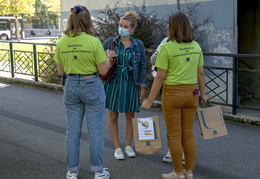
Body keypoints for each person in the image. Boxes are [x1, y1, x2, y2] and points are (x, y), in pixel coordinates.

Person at [142, 12, 208, 179]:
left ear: (172, 27)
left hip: (172, 93)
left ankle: (178, 173)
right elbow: (200, 73)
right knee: (188, 133)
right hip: (192, 93)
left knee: (174, 135)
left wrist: (150, 100)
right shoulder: (196, 46)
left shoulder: (167, 47)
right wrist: (204, 94)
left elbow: (160, 76)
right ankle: (189, 172)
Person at [53, 5, 111, 179]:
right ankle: (99, 171)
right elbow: (103, 71)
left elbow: (60, 72)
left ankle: (72, 171)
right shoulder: (93, 42)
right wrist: (108, 58)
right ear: (88, 21)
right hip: (91, 85)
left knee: (72, 132)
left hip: (71, 85)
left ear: (70, 20)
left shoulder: (62, 42)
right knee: (94, 132)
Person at [103, 11, 147, 160]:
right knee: (113, 114)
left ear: (132, 29)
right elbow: (99, 63)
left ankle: (128, 145)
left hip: (130, 81)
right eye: (121, 25)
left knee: (130, 115)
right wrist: (107, 57)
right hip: (114, 81)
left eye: (126, 26)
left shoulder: (138, 44)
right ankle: (117, 147)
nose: (122, 28)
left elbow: (142, 66)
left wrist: (143, 87)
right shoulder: (109, 43)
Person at [150, 37, 185, 165]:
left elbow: (153, 60)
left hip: (169, 85)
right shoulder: (193, 44)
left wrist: (149, 100)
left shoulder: (166, 42)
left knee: (173, 122)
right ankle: (182, 154)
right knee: (184, 123)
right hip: (188, 86)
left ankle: (173, 152)